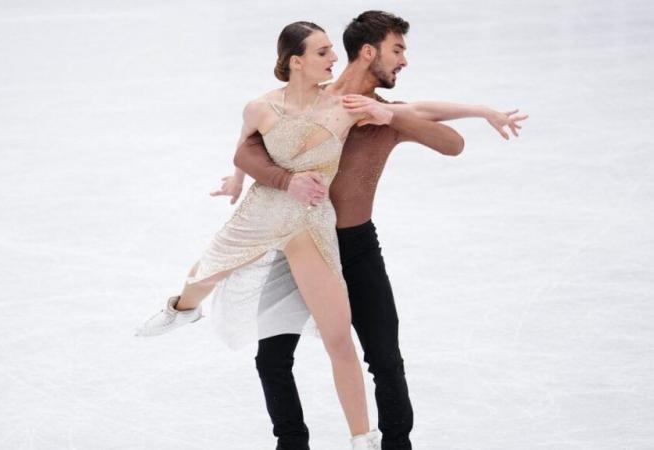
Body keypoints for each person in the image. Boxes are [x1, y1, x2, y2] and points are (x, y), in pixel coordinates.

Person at [214, 11, 527, 450]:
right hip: (298, 245)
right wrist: (251, 178)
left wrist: (398, 115)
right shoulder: (313, 105)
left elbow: (451, 144)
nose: (404, 61)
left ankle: (396, 444)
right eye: (397, 49)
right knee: (272, 358)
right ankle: (291, 442)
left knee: (384, 358)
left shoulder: (389, 116)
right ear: (368, 51)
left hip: (356, 247)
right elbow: (250, 145)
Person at [136, 20, 408, 448]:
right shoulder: (260, 106)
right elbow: (247, 145)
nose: (333, 58)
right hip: (264, 210)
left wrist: (481, 112)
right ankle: (181, 309)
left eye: (332, 51)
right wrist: (236, 180)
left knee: (338, 336)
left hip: (310, 223)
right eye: (323, 52)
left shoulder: (341, 104)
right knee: (206, 272)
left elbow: (421, 111)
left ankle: (363, 438)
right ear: (296, 61)